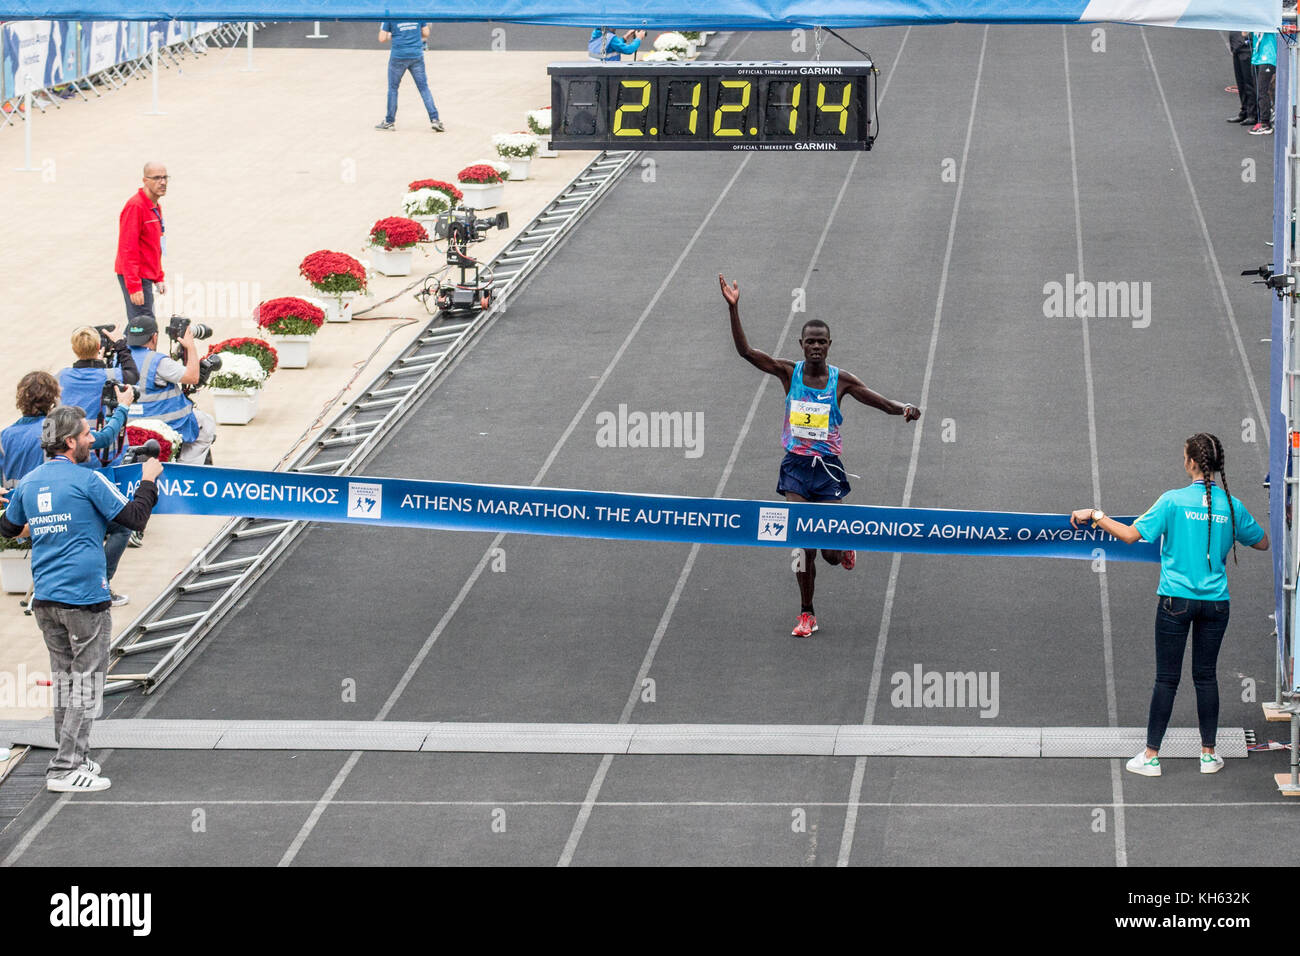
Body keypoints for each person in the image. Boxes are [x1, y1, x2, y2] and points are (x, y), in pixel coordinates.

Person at [719, 274, 921, 638]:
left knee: (828, 553)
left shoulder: (841, 381)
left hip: (827, 470)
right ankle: (806, 613)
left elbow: (877, 400)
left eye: (821, 343)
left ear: (829, 346)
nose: (815, 347)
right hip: (796, 468)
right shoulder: (787, 372)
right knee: (802, 540)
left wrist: (903, 408)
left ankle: (842, 549)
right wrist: (734, 309)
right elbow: (746, 353)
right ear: (801, 344)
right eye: (809, 342)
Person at [1069, 432, 1268, 778]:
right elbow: (1263, 543)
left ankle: (1151, 756)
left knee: (1167, 679)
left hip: (1176, 602)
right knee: (1206, 677)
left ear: (1191, 462)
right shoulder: (1233, 506)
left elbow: (1131, 535)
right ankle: (1208, 756)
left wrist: (1096, 514)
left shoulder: (1173, 501)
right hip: (1216, 604)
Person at [0, 405, 163, 792]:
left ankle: (74, 756)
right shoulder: (87, 480)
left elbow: (7, 528)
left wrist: (40, 525)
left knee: (65, 682)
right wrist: (149, 480)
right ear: (71, 441)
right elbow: (134, 519)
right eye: (88, 434)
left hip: (46, 599)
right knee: (87, 684)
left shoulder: (30, 481)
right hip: (85, 597)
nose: (93, 439)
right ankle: (64, 767)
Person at [125, 314, 216, 465]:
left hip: (129, 423)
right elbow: (193, 377)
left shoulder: (118, 358)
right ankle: (187, 468)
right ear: (154, 337)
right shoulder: (157, 361)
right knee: (206, 424)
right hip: (164, 424)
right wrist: (190, 346)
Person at [115, 162, 168, 324]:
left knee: (142, 326)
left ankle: (117, 346)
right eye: (157, 178)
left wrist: (158, 276)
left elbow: (155, 245)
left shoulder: (155, 206)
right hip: (136, 276)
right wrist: (134, 286)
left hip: (146, 275)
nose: (163, 182)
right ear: (145, 180)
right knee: (144, 327)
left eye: (165, 177)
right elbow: (127, 249)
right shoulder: (136, 206)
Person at [374, 21, 444, 132]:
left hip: (398, 56)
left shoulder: (389, 16)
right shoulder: (416, 12)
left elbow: (382, 38)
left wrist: (393, 34)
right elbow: (426, 33)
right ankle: (435, 120)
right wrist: (413, 34)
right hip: (416, 55)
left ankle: (389, 122)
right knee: (424, 88)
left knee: (393, 89)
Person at [1250, 30, 1276, 136]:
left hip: (1268, 58)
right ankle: (1266, 117)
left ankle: (1265, 123)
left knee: (1262, 90)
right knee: (1259, 90)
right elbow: (1243, 33)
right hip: (1258, 58)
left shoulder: (1267, 18)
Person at [1227, 32, 1256, 125]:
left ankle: (1253, 114)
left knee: (1249, 83)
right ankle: (1245, 111)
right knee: (1241, 83)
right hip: (1237, 47)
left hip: (1246, 47)